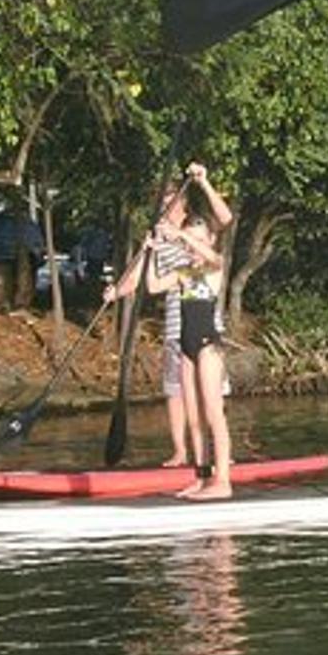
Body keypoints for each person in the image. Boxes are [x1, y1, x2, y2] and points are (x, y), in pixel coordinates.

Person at [105, 163, 233, 474]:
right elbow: (142, 279)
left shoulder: (198, 229)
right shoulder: (161, 239)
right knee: (177, 392)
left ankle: (219, 460)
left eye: (171, 200)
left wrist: (203, 182)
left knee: (211, 399)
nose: (166, 206)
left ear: (182, 200)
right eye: (162, 202)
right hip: (177, 325)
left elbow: (225, 220)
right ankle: (185, 455)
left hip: (206, 329)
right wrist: (116, 292)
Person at [160, 212, 233, 499]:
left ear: (210, 240)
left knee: (214, 413)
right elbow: (153, 285)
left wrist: (182, 235)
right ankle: (202, 479)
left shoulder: (214, 268)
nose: (193, 246)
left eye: (199, 240)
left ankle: (223, 481)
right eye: (190, 241)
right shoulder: (185, 274)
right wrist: (150, 250)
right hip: (186, 347)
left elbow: (214, 258)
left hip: (208, 347)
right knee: (194, 419)